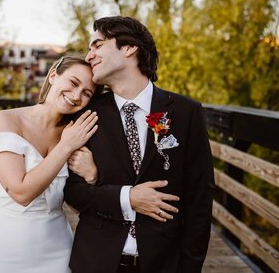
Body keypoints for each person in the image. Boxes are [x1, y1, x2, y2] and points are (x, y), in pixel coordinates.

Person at [64, 16, 215, 273]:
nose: (89, 56)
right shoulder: (86, 114)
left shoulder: (185, 112)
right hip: (96, 262)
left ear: (129, 47)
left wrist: (190, 267)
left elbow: (200, 197)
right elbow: (71, 192)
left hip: (163, 263)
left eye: (97, 45)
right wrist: (127, 197)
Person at [0, 56, 103, 273]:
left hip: (57, 247)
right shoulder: (6, 120)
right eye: (73, 82)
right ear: (53, 75)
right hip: (3, 248)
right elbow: (21, 193)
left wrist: (92, 176)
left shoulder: (79, 133)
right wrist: (66, 146)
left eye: (87, 93)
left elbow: (80, 207)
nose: (77, 95)